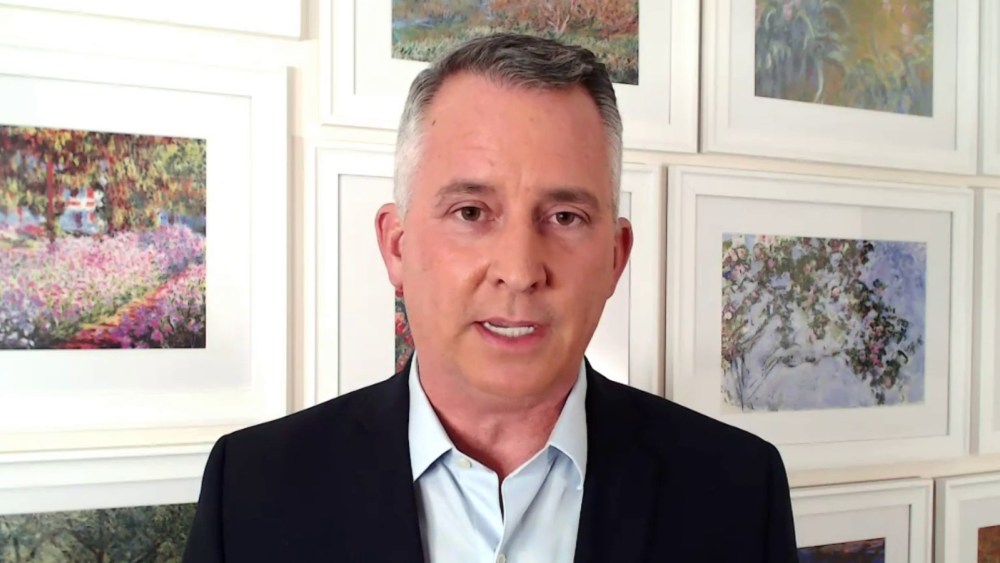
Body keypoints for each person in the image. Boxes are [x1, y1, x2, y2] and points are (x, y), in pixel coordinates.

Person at [182, 33, 799, 562]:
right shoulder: (253, 489)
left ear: (615, 257)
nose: (520, 271)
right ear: (397, 247)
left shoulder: (740, 492)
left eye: (564, 217)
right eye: (472, 212)